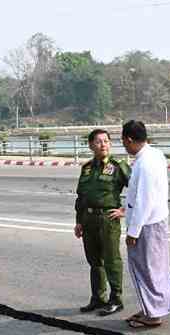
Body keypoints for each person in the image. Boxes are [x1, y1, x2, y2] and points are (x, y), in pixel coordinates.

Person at [114, 120, 170, 328]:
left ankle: (153, 315)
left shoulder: (145, 163)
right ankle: (153, 307)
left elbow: (144, 200)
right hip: (155, 220)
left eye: (124, 142)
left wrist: (133, 231)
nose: (124, 146)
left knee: (147, 269)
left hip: (147, 224)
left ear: (130, 139)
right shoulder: (154, 155)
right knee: (157, 267)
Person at [74, 128, 132, 315]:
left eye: (106, 141)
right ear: (91, 145)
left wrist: (125, 210)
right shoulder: (87, 168)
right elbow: (81, 197)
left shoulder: (118, 166)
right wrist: (79, 221)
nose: (103, 145)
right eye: (98, 141)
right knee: (94, 261)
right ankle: (98, 298)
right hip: (88, 219)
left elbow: (137, 188)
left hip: (108, 219)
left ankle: (116, 299)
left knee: (111, 259)